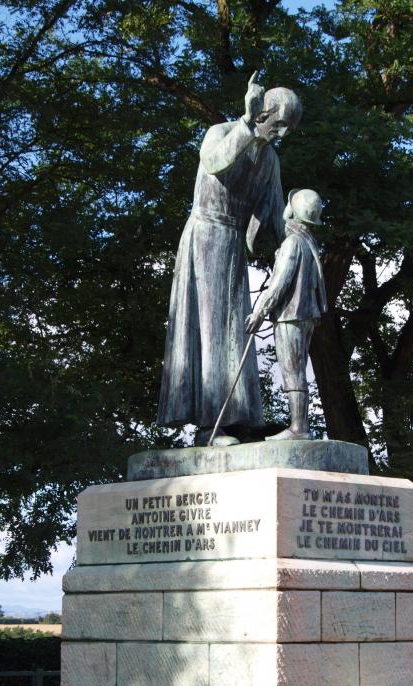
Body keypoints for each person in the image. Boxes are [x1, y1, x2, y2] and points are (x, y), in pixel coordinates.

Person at [157, 73, 303, 446]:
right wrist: (245, 124)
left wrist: (299, 244)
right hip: (205, 235)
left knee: (236, 330)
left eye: (289, 129)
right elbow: (215, 162)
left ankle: (235, 419)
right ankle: (210, 425)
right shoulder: (220, 132)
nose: (283, 135)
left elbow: (274, 214)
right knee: (209, 330)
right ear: (263, 113)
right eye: (280, 124)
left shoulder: (270, 160)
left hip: (233, 245)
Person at [245, 189, 326, 440]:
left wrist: (259, 312)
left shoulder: (293, 243)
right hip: (306, 315)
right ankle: (299, 426)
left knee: (293, 371)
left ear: (292, 211)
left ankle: (298, 428)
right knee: (297, 369)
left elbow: (279, 283)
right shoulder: (310, 242)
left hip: (291, 316)